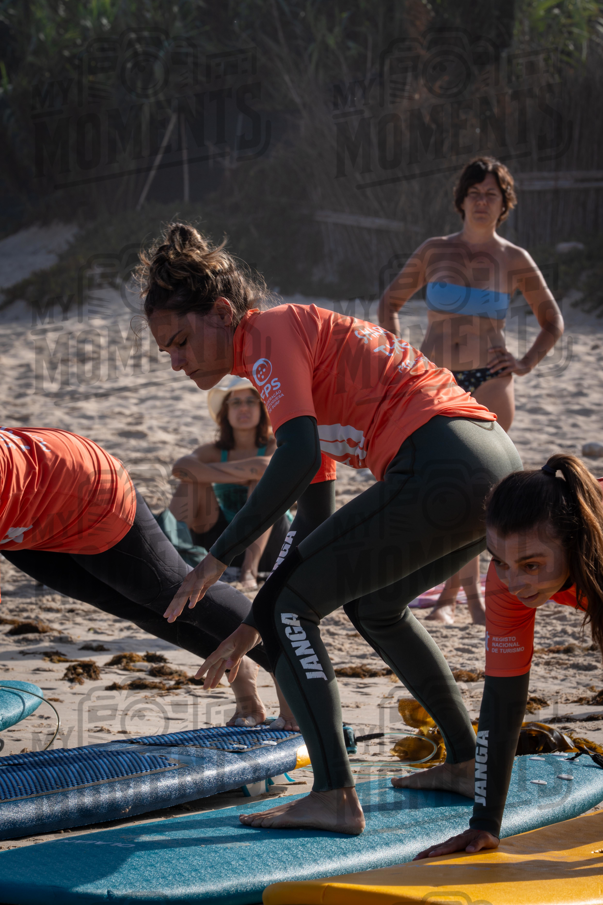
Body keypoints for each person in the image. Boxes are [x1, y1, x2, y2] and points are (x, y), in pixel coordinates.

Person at [139, 220, 522, 835]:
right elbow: (310, 524)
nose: (177, 362)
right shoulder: (289, 376)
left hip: (443, 459)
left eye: (181, 341)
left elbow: (292, 459)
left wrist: (219, 561)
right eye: (167, 352)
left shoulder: (270, 333)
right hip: (490, 466)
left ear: (220, 311)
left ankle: (334, 795)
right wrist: (252, 625)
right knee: (374, 605)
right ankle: (463, 758)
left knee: (295, 610)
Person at [0, 424, 296, 728]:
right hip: (21, 514)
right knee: (126, 602)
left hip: (80, 483)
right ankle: (240, 667)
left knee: (172, 592)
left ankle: (293, 681)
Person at [379, 156, 563, 625]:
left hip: (492, 380)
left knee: (487, 493)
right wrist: (403, 357)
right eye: (475, 193)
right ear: (461, 199)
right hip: (437, 381)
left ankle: (474, 599)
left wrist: (523, 363)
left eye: (492, 195)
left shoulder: (513, 258)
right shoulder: (434, 250)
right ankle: (449, 598)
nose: (483, 201)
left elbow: (552, 322)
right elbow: (390, 303)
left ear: (504, 204)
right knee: (448, 487)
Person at [398, 453, 603, 859]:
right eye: (501, 562)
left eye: (531, 565)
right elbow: (503, 700)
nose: (513, 582)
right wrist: (485, 824)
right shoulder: (506, 581)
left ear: (576, 540)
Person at [169, 375, 292, 591]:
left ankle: (249, 571)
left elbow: (265, 468)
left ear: (262, 408)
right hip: (223, 546)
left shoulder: (276, 444)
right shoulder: (214, 451)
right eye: (235, 402)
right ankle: (168, 562)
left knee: (261, 483)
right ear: (226, 412)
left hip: (271, 544)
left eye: (250, 401)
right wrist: (240, 474)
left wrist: (208, 473)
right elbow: (180, 468)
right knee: (191, 485)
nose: (243, 408)